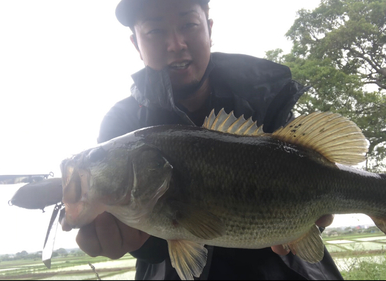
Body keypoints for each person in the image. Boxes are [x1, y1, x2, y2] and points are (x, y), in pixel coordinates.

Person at [63, 0, 343, 279]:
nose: (175, 43)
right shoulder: (123, 123)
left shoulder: (265, 97)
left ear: (209, 29)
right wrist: (136, 245)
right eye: (155, 31)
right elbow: (153, 240)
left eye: (189, 25)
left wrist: (311, 223)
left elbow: (306, 180)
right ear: (136, 44)